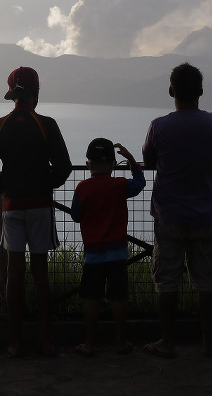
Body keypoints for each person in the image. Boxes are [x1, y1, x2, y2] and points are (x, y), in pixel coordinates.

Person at [0, 66, 72, 359]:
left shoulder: (0, 125)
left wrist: (5, 187)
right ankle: (45, 341)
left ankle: (17, 343)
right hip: (40, 206)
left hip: (12, 207)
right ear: (36, 93)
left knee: (14, 275)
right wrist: (44, 185)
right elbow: (64, 167)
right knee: (40, 274)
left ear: (12, 94)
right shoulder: (47, 124)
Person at [141, 62, 212, 358]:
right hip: (205, 215)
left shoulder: (159, 126)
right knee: (207, 280)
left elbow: (149, 159)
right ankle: (209, 341)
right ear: (201, 91)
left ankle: (167, 341)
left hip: (169, 215)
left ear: (171, 91)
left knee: (167, 280)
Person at [70, 138, 146, 356]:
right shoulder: (120, 185)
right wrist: (131, 160)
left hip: (93, 254)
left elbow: (76, 216)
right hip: (118, 252)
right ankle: (121, 341)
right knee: (118, 298)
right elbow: (139, 182)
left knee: (92, 298)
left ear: (88, 164)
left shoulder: (82, 187)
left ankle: (89, 344)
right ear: (113, 164)